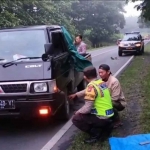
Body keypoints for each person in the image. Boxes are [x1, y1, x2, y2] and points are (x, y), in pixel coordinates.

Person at [72, 66, 114, 143]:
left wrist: (78, 112)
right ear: (96, 75)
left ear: (85, 77)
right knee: (86, 111)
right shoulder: (101, 82)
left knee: (76, 118)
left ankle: (95, 134)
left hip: (102, 117)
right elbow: (88, 90)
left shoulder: (91, 87)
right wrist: (76, 94)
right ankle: (106, 126)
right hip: (110, 115)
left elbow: (87, 109)